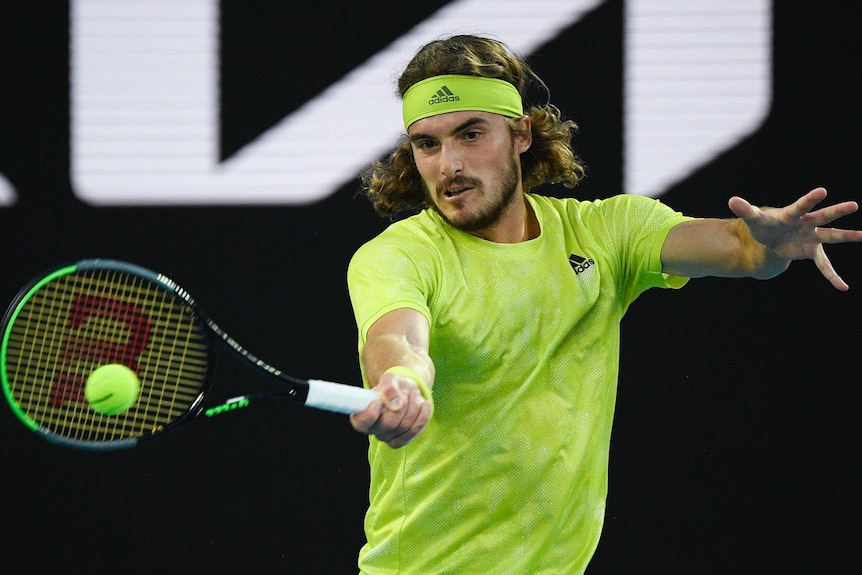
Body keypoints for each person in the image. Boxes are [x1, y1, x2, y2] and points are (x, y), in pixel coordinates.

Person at [345, 34, 861, 574]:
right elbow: (397, 338)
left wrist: (770, 245)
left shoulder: (605, 233)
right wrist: (400, 382)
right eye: (427, 144)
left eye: (471, 134)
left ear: (520, 134)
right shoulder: (398, 255)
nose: (449, 164)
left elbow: (738, 245)